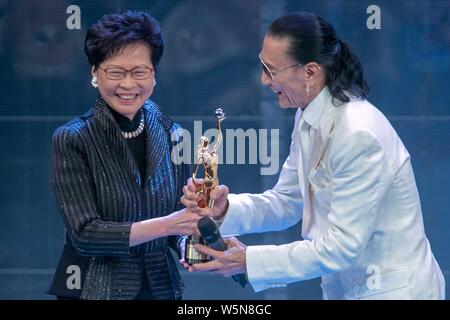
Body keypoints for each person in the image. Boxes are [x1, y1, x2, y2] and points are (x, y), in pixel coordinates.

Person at [181, 12, 445, 299]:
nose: (263, 80)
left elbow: (341, 247)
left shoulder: (358, 134)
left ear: (310, 72)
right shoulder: (308, 115)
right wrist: (224, 209)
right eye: (262, 66)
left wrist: (249, 261)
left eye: (270, 70)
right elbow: (286, 202)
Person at [48, 11, 201, 300]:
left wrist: (198, 242)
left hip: (160, 287)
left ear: (154, 74)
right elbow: (85, 234)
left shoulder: (173, 133)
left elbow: (180, 226)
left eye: (139, 72)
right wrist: (170, 224)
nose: (128, 85)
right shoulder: (73, 138)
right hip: (93, 287)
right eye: (116, 72)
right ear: (95, 73)